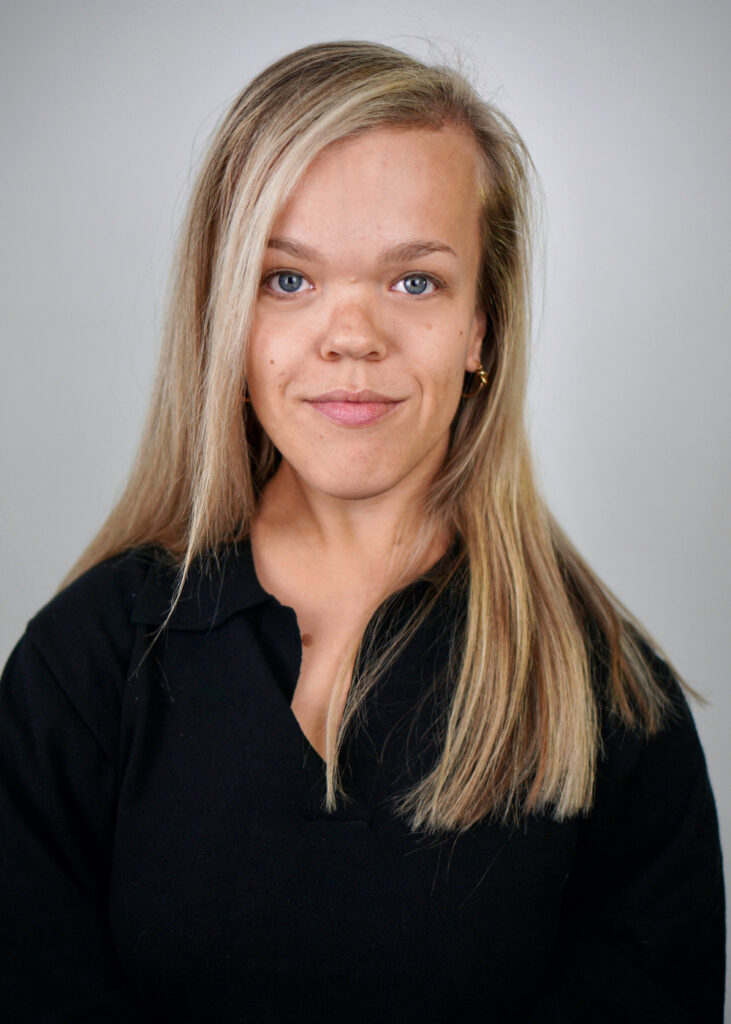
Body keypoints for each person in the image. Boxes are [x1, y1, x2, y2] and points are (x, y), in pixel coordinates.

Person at [0, 40, 724, 1023]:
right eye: (287, 280)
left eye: (414, 282)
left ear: (481, 327)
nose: (351, 336)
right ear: (228, 319)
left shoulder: (607, 702)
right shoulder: (78, 669)